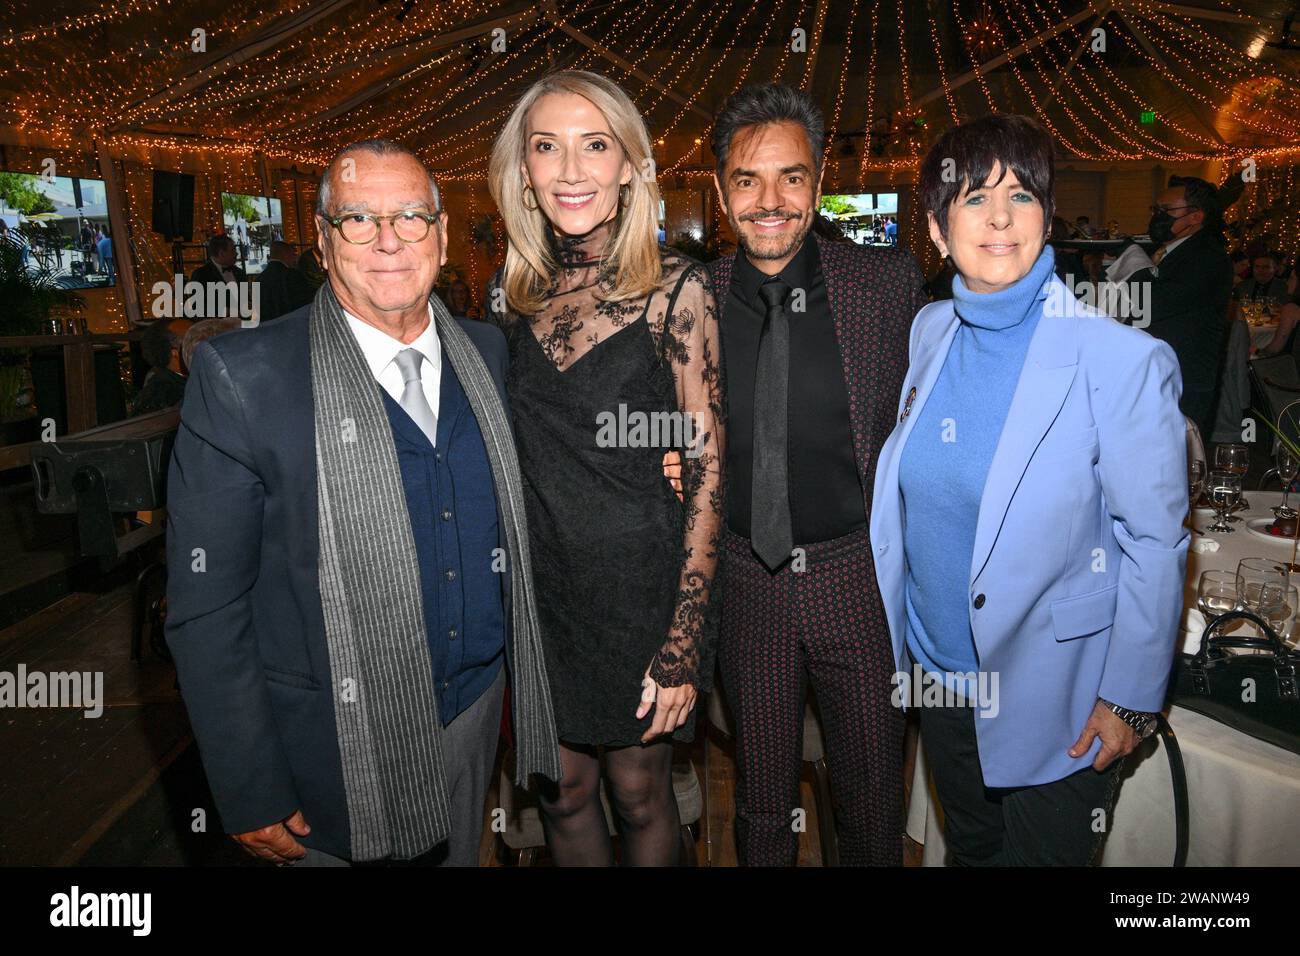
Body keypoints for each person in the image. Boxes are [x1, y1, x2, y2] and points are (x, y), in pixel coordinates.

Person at [165, 138, 561, 867]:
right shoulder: (244, 377)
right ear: (322, 239)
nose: (388, 240)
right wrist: (249, 783)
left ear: (441, 236)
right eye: (358, 220)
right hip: (329, 747)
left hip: (474, 714)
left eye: (411, 217)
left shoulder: (489, 353)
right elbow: (206, 606)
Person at [871, 114, 1188, 865]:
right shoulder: (931, 332)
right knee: (973, 852)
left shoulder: (1121, 360)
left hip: (1059, 700)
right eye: (974, 198)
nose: (1000, 218)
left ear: (1047, 216)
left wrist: (1130, 698)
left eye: (1021, 194)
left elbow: (1154, 542)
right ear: (939, 229)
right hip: (942, 684)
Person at [485, 70, 723, 867]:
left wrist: (684, 639)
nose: (572, 170)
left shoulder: (675, 289)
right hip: (542, 594)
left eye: (596, 145)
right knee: (564, 795)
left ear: (630, 167)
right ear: (524, 170)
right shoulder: (509, 299)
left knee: (640, 794)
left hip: (639, 589)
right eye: (547, 147)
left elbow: (707, 466)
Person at [706, 83, 926, 866]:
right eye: (748, 180)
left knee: (870, 806)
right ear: (721, 189)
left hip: (856, 581)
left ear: (819, 177)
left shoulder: (886, 285)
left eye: (791, 177)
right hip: (746, 583)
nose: (770, 201)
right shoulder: (687, 299)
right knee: (762, 810)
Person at [1123, 176, 1234, 439]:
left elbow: (1152, 301)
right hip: (1160, 375)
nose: (1157, 216)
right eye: (1156, 210)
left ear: (1195, 217)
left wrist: (1132, 259)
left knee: (1178, 465)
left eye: (1166, 211)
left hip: (1184, 379)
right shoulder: (1174, 250)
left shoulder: (1208, 256)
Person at [132, 318, 193, 415]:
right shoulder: (162, 395)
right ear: (175, 352)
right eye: (194, 340)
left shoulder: (191, 380)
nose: (205, 344)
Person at [255, 239, 314, 321]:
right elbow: (303, 304)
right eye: (293, 254)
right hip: (290, 324)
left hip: (267, 327)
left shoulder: (259, 279)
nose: (295, 258)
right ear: (286, 254)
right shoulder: (292, 276)